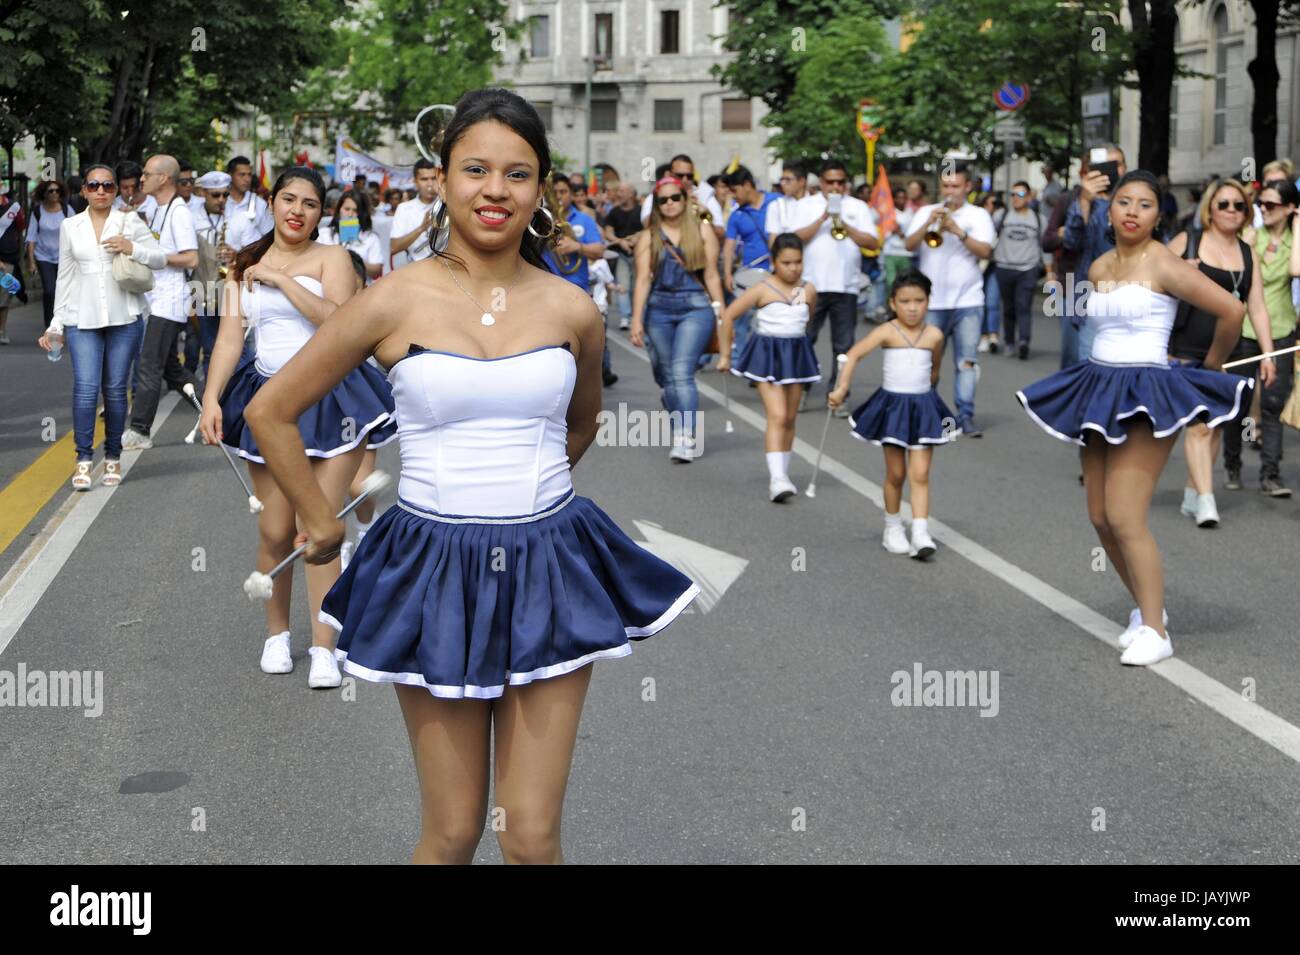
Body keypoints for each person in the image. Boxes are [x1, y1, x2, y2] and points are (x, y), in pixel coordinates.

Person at [237, 89, 697, 864]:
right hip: (431, 567)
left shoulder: (572, 308)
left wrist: (530, 495)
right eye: (475, 169)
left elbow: (578, 423)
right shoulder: (390, 298)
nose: (495, 190)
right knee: (451, 834)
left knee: (531, 837)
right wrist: (320, 521)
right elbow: (272, 410)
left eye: (517, 174)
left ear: (541, 188)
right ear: (443, 179)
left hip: (551, 562)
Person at [1016, 170, 1250, 666]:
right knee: (1099, 517)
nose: (1131, 211)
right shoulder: (1099, 266)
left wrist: (1211, 366)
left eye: (1144, 205)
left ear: (1158, 215)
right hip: (1098, 385)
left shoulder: (1165, 263)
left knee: (1125, 516)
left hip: (1146, 390)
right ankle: (1147, 611)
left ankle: (1157, 631)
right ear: (1111, 207)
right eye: (1123, 201)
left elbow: (1231, 310)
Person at [198, 165, 398, 690]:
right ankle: (275, 635)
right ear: (271, 201)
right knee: (275, 530)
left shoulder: (333, 257)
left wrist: (284, 280)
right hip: (266, 401)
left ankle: (324, 648)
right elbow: (228, 341)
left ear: (320, 212)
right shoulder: (243, 265)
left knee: (321, 526)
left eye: (309, 204)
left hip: (334, 401)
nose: (297, 211)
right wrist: (211, 398)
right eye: (288, 199)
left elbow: (340, 320)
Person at [36, 164, 164, 488]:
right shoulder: (70, 226)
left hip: (125, 317)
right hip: (82, 318)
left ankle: (112, 457)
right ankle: (82, 460)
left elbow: (161, 257)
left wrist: (131, 247)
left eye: (108, 185)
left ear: (116, 189)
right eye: (94, 185)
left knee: (116, 391)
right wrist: (56, 325)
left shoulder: (129, 221)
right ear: (84, 191)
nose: (101, 191)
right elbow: (64, 277)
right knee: (85, 389)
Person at [1167, 179, 1277, 526]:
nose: (1231, 210)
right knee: (1199, 426)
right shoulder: (1189, 240)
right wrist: (1183, 273)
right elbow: (1152, 282)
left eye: (1239, 205)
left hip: (1230, 351)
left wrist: (1268, 354)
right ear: (1210, 209)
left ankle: (1191, 492)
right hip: (1185, 346)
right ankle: (1206, 500)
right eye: (1224, 204)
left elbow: (1256, 307)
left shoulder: (1248, 253)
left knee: (1215, 424)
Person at [829, 270, 954, 559]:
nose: (912, 307)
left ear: (928, 302)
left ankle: (921, 532)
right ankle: (893, 526)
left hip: (923, 407)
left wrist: (929, 393)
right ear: (893, 303)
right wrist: (841, 388)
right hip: (893, 409)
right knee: (896, 473)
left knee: (920, 473)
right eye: (905, 301)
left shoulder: (934, 335)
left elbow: (935, 368)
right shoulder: (887, 331)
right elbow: (855, 354)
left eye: (919, 301)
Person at [718, 233, 820, 501]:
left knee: (790, 417)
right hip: (767, 355)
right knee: (777, 415)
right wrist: (726, 354)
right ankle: (776, 479)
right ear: (774, 261)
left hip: (796, 353)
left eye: (798, 262)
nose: (793, 268)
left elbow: (809, 317)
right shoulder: (762, 288)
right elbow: (728, 316)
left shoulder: (808, 289)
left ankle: (783, 473)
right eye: (786, 262)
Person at [630, 175, 725, 462]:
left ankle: (685, 437)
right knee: (666, 375)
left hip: (695, 307)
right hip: (658, 309)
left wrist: (721, 312)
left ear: (685, 200)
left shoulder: (702, 231)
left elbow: (711, 275)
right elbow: (643, 279)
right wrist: (636, 319)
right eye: (663, 200)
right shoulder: (648, 236)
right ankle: (678, 420)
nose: (670, 203)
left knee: (682, 372)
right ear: (656, 205)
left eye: (675, 198)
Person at [1222, 178, 1300, 497]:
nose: (1263, 210)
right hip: (1243, 330)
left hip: (1280, 329)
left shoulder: (1295, 241)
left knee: (1272, 402)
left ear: (1290, 209)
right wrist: (1249, 244)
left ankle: (1271, 473)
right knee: (1238, 401)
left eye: (1271, 205)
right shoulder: (1249, 236)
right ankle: (1233, 464)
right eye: (1261, 204)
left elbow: (1296, 270)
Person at [904, 162, 995, 436]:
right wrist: (929, 224)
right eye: (946, 186)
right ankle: (925, 412)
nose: (950, 191)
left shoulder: (978, 215)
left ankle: (965, 415)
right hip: (932, 302)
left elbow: (986, 251)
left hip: (968, 300)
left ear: (967, 187)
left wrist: (958, 230)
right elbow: (909, 245)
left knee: (966, 361)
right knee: (928, 361)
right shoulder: (925, 211)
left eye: (956, 186)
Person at [118, 155, 200, 450]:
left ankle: (140, 430)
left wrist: (149, 256)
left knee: (149, 366)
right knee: (171, 370)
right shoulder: (158, 208)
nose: (142, 178)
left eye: (147, 174)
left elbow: (191, 257)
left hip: (168, 301)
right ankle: (220, 415)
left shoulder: (178, 211)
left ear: (163, 178)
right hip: (156, 299)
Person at [791, 160, 880, 415]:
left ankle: (838, 395)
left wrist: (843, 222)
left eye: (840, 182)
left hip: (846, 286)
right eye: (830, 182)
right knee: (803, 340)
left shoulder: (858, 207)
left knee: (844, 346)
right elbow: (794, 240)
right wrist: (823, 218)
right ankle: (802, 390)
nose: (836, 186)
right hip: (807, 286)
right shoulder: (805, 205)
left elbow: (873, 243)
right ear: (821, 182)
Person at [1063, 144, 1127, 363]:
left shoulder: (1137, 203)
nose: (1111, 170)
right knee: (1088, 369)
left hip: (1131, 297)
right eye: (1104, 165)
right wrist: (1085, 201)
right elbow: (1072, 242)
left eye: (1116, 164)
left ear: (1125, 168)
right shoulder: (1084, 202)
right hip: (1089, 298)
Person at [721, 166, 781, 362]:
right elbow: (729, 246)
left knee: (767, 322)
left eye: (735, 190)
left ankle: (764, 361)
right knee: (742, 319)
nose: (733, 196)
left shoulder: (776, 202)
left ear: (747, 185)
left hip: (775, 275)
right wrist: (728, 274)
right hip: (748, 276)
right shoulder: (737, 215)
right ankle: (740, 362)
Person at [993, 181, 1046, 360]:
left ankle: (1023, 341)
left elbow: (1045, 247)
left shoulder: (1038, 219)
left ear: (1029, 197)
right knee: (1008, 308)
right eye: (1013, 194)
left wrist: (1050, 270)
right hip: (1004, 267)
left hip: (1027, 268)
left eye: (1020, 195)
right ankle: (1009, 342)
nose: (1015, 198)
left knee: (1023, 306)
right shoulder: (1002, 216)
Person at [26, 179, 73, 330]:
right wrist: (31, 261)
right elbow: (31, 237)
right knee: (49, 290)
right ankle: (49, 323)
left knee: (64, 290)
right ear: (44, 194)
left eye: (57, 190)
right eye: (51, 191)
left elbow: (77, 232)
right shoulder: (37, 211)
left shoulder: (67, 209)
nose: (54, 194)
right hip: (44, 256)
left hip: (64, 257)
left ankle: (64, 320)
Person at [602, 182, 642, 329]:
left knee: (637, 285)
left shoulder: (641, 210)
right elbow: (608, 233)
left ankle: (636, 315)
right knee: (623, 286)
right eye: (619, 191)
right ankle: (625, 317)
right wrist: (620, 242)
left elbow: (649, 229)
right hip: (621, 255)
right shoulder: (614, 212)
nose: (620, 193)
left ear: (631, 193)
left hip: (639, 254)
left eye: (623, 191)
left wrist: (638, 238)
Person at [319, 190, 383, 279]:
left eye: (355, 210)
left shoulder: (370, 238)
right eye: (347, 209)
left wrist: (355, 261)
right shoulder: (324, 234)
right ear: (339, 210)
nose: (350, 214)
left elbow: (377, 270)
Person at [390, 158, 442, 266]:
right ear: (415, 182)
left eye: (433, 178)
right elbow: (393, 247)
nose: (430, 184)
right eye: (424, 179)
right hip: (416, 269)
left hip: (445, 269)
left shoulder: (448, 204)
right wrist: (422, 228)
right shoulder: (404, 209)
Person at [225, 156, 274, 245]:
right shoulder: (221, 201)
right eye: (242, 174)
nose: (247, 179)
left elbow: (269, 235)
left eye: (249, 175)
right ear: (230, 176)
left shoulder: (260, 204)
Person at [765, 161, 809, 245]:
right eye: (782, 179)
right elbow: (773, 240)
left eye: (788, 180)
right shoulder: (776, 205)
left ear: (802, 181)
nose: (783, 184)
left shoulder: (816, 203)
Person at [882, 185, 915, 291]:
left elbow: (913, 233)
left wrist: (901, 234)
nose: (901, 200)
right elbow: (882, 233)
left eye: (904, 198)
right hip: (890, 252)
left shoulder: (911, 214)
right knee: (891, 281)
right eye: (898, 197)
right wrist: (892, 230)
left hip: (905, 252)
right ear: (894, 198)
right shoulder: (888, 213)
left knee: (906, 281)